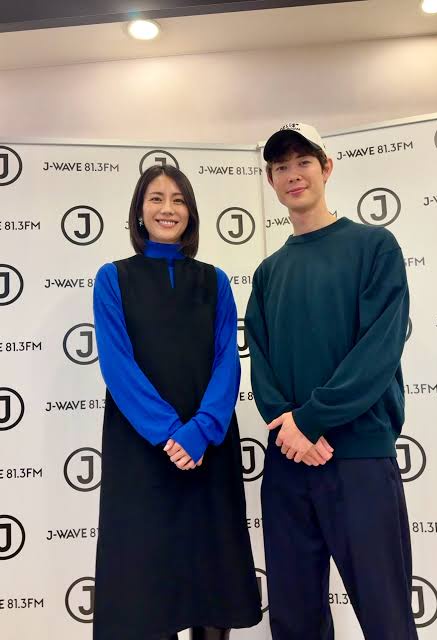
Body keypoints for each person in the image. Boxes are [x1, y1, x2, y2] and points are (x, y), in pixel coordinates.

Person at [245, 123, 418, 640]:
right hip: (288, 462)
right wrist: (290, 427)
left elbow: (378, 350)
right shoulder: (269, 272)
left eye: (303, 162)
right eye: (280, 167)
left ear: (326, 167)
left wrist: (311, 421)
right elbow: (262, 364)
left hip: (359, 456)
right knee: (295, 620)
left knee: (385, 615)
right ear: (271, 180)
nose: (292, 175)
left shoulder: (373, 246)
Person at [92, 164, 261, 640]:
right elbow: (118, 366)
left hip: (208, 446)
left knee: (214, 577)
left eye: (178, 199)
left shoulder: (215, 280)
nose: (168, 208)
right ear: (139, 212)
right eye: (156, 198)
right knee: (149, 588)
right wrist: (170, 433)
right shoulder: (113, 278)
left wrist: (201, 429)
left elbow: (227, 360)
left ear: (191, 213)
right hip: (142, 450)